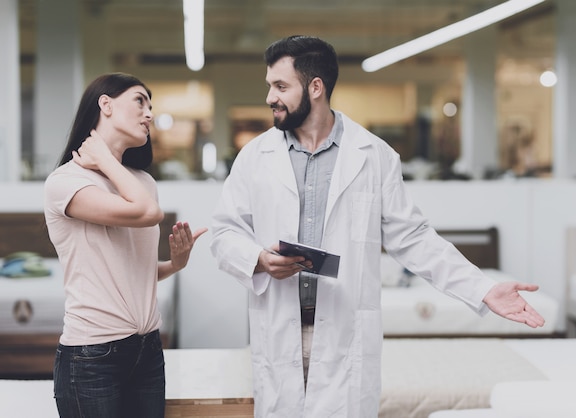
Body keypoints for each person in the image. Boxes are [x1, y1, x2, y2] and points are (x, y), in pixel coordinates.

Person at [209, 35, 545, 418]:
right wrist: (258, 259)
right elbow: (224, 232)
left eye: (280, 86)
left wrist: (483, 288)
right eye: (270, 85)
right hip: (279, 325)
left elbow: (414, 239)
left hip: (343, 332)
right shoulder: (256, 156)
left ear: (315, 87)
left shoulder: (375, 156)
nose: (270, 96)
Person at [44, 72, 207, 418]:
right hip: (92, 357)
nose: (149, 113)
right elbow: (148, 212)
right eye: (140, 101)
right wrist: (103, 159)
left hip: (147, 349)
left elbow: (133, 270)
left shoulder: (142, 182)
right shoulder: (66, 182)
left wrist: (175, 264)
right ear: (105, 104)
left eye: (151, 106)